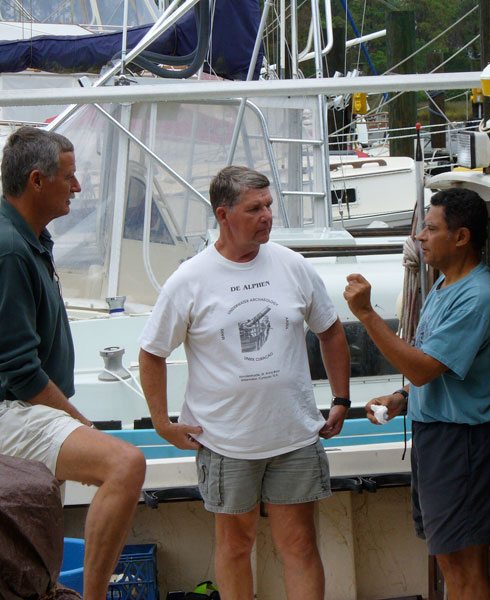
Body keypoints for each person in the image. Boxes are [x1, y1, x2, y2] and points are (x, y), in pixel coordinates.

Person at [139, 165, 350, 600]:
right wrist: (162, 422)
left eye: (268, 205)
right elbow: (152, 352)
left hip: (293, 436)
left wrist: (341, 398)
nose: (267, 215)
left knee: (300, 544)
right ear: (223, 214)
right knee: (235, 546)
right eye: (254, 209)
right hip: (226, 442)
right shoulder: (190, 279)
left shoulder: (293, 265)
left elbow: (330, 331)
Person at [0, 126, 146, 600]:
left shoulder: (26, 238)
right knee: (125, 465)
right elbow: (19, 372)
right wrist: (82, 424)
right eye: (70, 176)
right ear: (37, 181)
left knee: (34, 552)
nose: (77, 187)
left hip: (24, 411)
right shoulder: (6, 250)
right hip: (11, 412)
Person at [343, 188, 490, 600]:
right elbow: (434, 367)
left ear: (461, 237)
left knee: (463, 569)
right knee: (450, 562)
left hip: (464, 445)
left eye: (431, 228)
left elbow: (422, 368)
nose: (420, 236)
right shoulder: (444, 285)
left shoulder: (476, 298)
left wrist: (366, 314)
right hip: (439, 439)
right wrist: (401, 398)